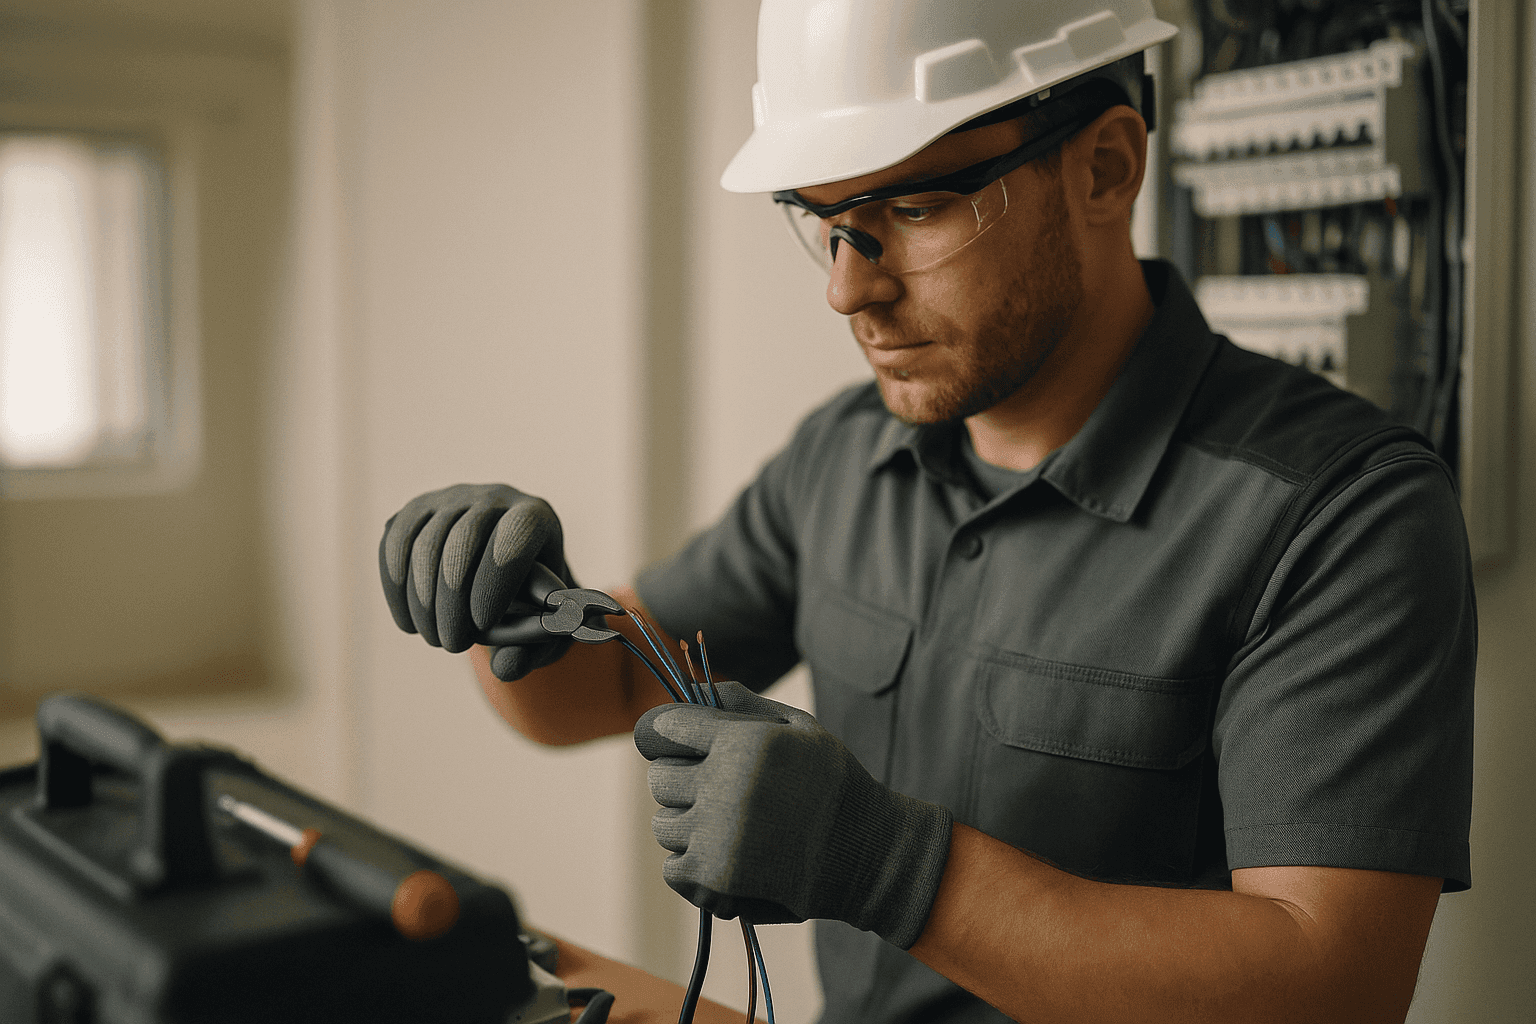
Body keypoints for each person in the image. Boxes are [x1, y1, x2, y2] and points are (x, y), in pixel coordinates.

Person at [378, 2, 1475, 1021]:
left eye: (912, 209)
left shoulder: (1339, 513)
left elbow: (1335, 983)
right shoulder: (844, 457)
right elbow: (598, 689)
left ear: (1105, 167)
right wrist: (507, 601)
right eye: (822, 220)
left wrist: (888, 864)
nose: (849, 290)